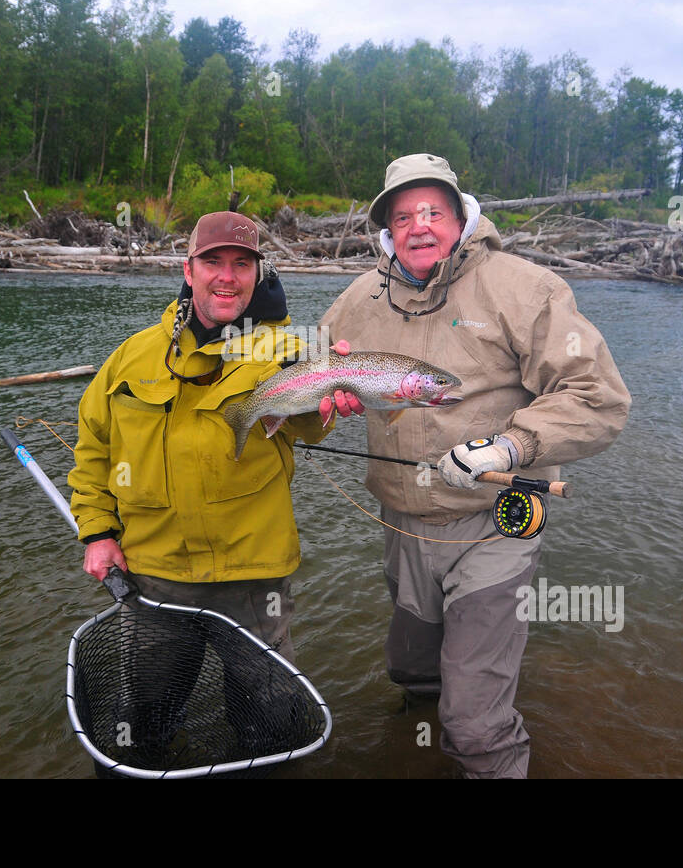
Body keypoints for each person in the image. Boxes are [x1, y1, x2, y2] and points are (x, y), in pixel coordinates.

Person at [319, 153, 631, 778]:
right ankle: (413, 744)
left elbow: (598, 399)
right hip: (402, 520)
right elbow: (311, 384)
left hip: (499, 520)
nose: (420, 226)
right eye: (403, 215)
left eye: (435, 210)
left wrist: (510, 446)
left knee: (474, 723)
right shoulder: (357, 300)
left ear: (462, 216)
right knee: (413, 672)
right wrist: (324, 402)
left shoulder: (527, 289)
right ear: (386, 229)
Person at [68, 211, 330, 659]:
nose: (227, 278)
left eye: (242, 264)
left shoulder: (290, 351)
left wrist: (322, 387)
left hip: (253, 578)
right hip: (151, 574)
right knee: (148, 721)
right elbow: (94, 450)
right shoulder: (131, 356)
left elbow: (314, 427)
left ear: (257, 274)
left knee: (266, 717)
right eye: (213, 262)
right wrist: (97, 534)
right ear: (188, 271)